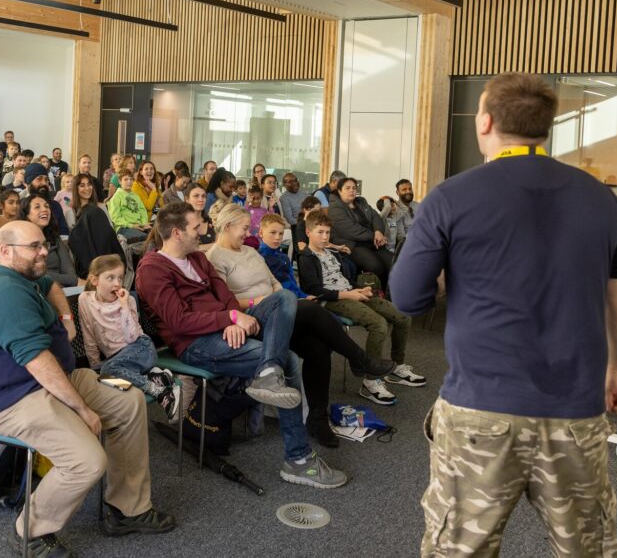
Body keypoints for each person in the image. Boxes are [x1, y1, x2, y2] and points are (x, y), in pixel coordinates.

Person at [392, 73, 617, 556]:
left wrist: (450, 277)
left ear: (484, 122)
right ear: (546, 128)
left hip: (480, 412)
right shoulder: (604, 200)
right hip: (576, 412)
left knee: (459, 549)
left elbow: (406, 297)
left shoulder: (450, 197)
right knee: (587, 549)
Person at [0, 219, 175, 555]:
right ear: (3, 251)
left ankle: (127, 509)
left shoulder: (23, 276)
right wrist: (82, 409)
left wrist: (67, 320)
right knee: (87, 461)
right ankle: (28, 532)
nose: (44, 251)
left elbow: (50, 286)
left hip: (51, 379)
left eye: (44, 244)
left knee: (128, 402)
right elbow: (37, 361)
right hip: (11, 398)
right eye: (34, 247)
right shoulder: (3, 291)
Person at [136, 202, 346, 488]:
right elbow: (179, 322)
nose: (203, 231)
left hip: (224, 329)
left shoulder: (197, 258)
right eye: (196, 227)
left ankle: (268, 374)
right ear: (176, 232)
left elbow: (225, 297)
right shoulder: (152, 269)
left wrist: (231, 319)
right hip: (195, 343)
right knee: (286, 360)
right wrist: (229, 318)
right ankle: (298, 459)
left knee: (284, 298)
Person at [214, 206, 392, 447]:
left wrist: (280, 297)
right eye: (244, 228)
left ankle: (317, 418)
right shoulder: (216, 257)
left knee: (317, 347)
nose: (248, 233)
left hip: (278, 311)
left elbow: (275, 282)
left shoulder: (250, 251)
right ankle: (359, 358)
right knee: (308, 307)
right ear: (227, 227)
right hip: (253, 319)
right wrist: (270, 300)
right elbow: (226, 302)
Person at [298, 211, 423, 406]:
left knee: (402, 316)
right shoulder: (306, 257)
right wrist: (349, 294)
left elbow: (344, 280)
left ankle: (397, 365)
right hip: (332, 300)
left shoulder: (332, 253)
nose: (325, 237)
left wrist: (359, 288)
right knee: (378, 324)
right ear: (308, 232)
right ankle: (370, 381)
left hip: (349, 292)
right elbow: (313, 290)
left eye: (327, 232)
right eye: (320, 232)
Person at [79, 254, 179, 420]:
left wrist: (124, 306)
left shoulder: (128, 300)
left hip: (141, 348)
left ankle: (159, 391)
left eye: (120, 277)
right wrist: (94, 365)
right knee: (104, 379)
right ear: (94, 280)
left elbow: (132, 337)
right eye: (110, 278)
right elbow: (88, 334)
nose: (117, 283)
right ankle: (156, 377)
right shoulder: (85, 300)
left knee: (108, 371)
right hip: (120, 360)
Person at [327, 176, 394, 290]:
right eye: (347, 188)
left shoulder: (361, 202)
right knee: (376, 267)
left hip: (372, 242)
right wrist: (375, 236)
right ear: (339, 191)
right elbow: (351, 230)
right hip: (352, 245)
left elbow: (376, 217)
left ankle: (394, 295)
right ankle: (381, 294)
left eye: (354, 188)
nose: (352, 190)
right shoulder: (335, 209)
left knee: (394, 263)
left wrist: (378, 231)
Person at [18, 193, 80, 288]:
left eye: (46, 206)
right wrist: (70, 280)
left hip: (67, 288)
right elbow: (33, 274)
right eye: (37, 207)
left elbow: (70, 273)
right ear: (26, 214)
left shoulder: (54, 237)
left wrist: (71, 280)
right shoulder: (19, 242)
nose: (44, 209)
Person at [107, 169, 150, 240]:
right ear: (120, 181)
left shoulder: (135, 196)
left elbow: (142, 210)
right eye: (126, 179)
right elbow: (115, 217)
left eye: (131, 179)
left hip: (139, 226)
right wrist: (131, 225)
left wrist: (144, 223)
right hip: (124, 228)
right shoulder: (116, 197)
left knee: (157, 236)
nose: (129, 182)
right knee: (146, 239)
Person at [184, 182, 215, 247]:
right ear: (187, 199)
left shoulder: (212, 222)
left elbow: (219, 245)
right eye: (196, 196)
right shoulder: (179, 222)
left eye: (203, 196)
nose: (201, 199)